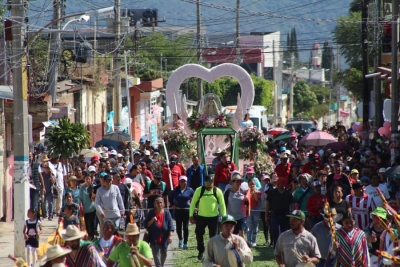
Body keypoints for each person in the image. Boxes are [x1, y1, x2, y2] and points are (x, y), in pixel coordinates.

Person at [189, 175, 227, 261]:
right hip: (201, 217)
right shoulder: (199, 190)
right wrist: (191, 215)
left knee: (214, 237)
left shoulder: (217, 191)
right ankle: (201, 251)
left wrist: (224, 217)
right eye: (208, 184)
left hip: (214, 217)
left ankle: (212, 254)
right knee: (199, 235)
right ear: (204, 183)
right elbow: (193, 203)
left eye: (211, 184)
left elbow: (222, 204)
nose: (209, 186)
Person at [143, 197, 175, 267]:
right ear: (155, 204)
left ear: (163, 204)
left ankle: (161, 265)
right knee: (156, 256)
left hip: (164, 238)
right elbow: (145, 224)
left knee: (164, 254)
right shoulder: (151, 213)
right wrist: (152, 220)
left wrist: (170, 236)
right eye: (158, 203)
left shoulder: (167, 213)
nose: (159, 204)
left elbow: (170, 225)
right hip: (154, 239)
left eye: (161, 203)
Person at [266, 177, 294, 248]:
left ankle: (284, 246)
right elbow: (268, 204)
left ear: (283, 184)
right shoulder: (272, 192)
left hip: (285, 215)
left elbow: (292, 204)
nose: (279, 185)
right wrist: (266, 215)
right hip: (274, 214)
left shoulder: (288, 193)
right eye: (278, 183)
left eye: (280, 184)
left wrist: (292, 215)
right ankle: (276, 246)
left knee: (285, 232)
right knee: (275, 230)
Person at [169, 175, 194, 249]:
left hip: (186, 210)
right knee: (178, 228)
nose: (183, 183)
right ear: (179, 182)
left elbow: (195, 198)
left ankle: (185, 243)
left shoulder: (190, 190)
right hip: (178, 210)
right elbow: (170, 198)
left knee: (185, 227)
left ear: (187, 182)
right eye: (182, 181)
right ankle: (180, 239)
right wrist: (172, 204)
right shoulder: (175, 190)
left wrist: (193, 204)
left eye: (185, 181)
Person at [224, 172, 248, 239]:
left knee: (241, 234)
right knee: (232, 235)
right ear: (233, 182)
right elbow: (224, 204)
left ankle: (243, 248)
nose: (238, 183)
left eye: (240, 182)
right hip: (231, 218)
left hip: (241, 217)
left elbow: (248, 204)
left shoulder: (243, 192)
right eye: (236, 182)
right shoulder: (228, 192)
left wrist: (247, 200)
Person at [79, 175, 97, 240]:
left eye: (89, 179)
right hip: (85, 209)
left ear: (91, 180)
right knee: (86, 223)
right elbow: (80, 198)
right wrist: (81, 206)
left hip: (92, 208)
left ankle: (91, 235)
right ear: (85, 180)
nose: (88, 180)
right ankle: (87, 235)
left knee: (91, 222)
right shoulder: (82, 188)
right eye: (86, 179)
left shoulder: (94, 187)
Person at [246, 178, 261, 247]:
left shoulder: (258, 192)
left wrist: (254, 191)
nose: (252, 185)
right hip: (249, 210)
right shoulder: (246, 192)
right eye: (250, 184)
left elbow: (256, 199)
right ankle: (249, 241)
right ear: (248, 185)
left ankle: (254, 241)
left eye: (253, 184)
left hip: (256, 210)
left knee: (255, 225)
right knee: (249, 226)